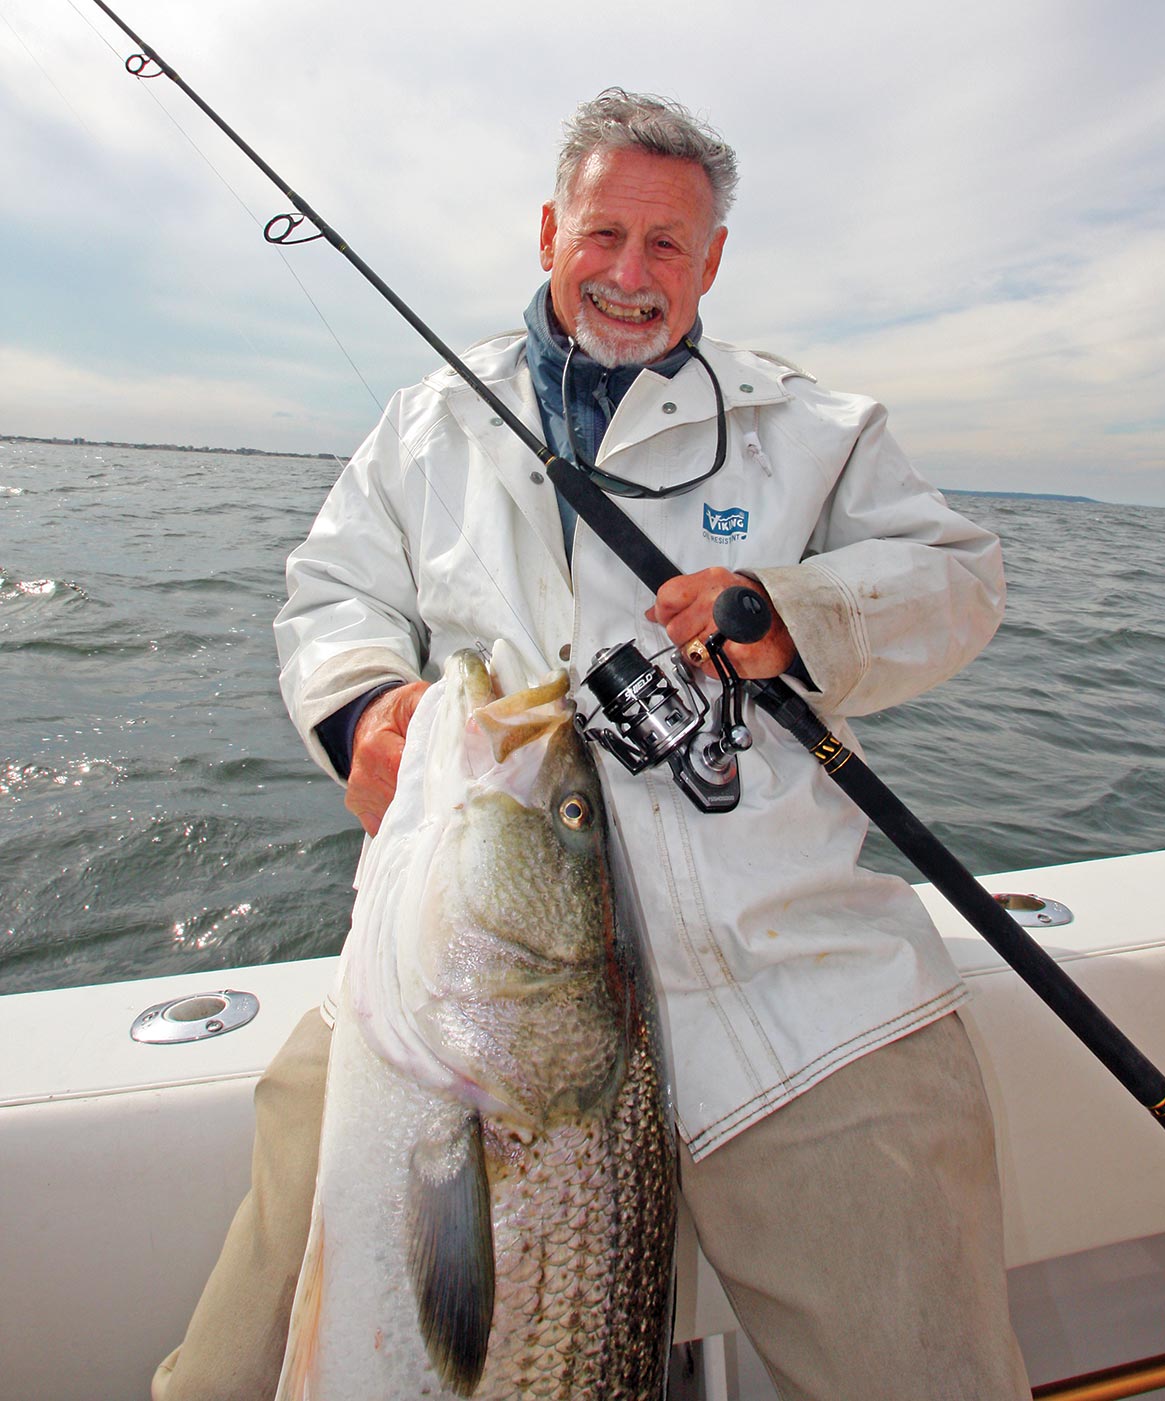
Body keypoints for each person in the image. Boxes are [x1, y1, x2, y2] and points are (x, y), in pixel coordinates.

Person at [154, 90, 1031, 1400]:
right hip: (454, 970)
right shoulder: (426, 427)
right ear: (551, 227)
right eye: (604, 233)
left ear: (714, 261)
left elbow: (960, 581)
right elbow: (330, 594)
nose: (630, 274)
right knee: (224, 1368)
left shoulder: (819, 431)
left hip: (794, 988)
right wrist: (359, 709)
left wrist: (796, 613)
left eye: (667, 245)